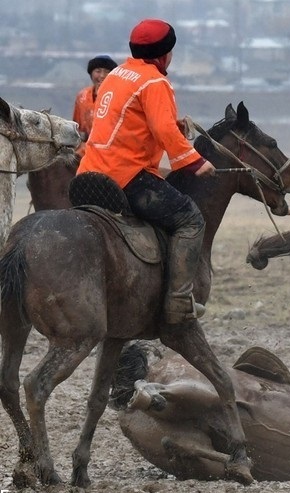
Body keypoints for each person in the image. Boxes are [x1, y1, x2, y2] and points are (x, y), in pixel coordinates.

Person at [78, 18, 215, 325]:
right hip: (125, 176)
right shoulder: (155, 82)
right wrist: (194, 161)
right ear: (165, 54)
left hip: (88, 173)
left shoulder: (116, 75)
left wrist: (171, 127)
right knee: (190, 219)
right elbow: (163, 129)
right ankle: (179, 302)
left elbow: (129, 122)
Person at [72, 54, 118, 155]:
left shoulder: (118, 97)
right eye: (98, 71)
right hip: (86, 149)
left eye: (107, 72)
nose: (102, 75)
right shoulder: (82, 96)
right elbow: (78, 130)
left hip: (111, 150)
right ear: (91, 73)